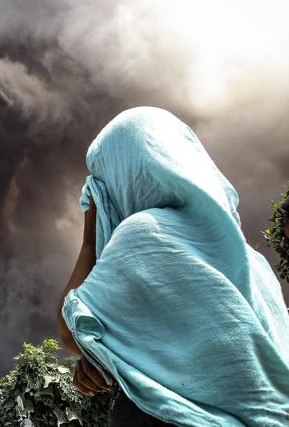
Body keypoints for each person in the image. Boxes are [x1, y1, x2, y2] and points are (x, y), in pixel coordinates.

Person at [57, 107, 289, 426]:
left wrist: (89, 237)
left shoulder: (144, 234)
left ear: (126, 175)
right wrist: (110, 358)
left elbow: (71, 334)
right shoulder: (253, 263)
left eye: (101, 178)